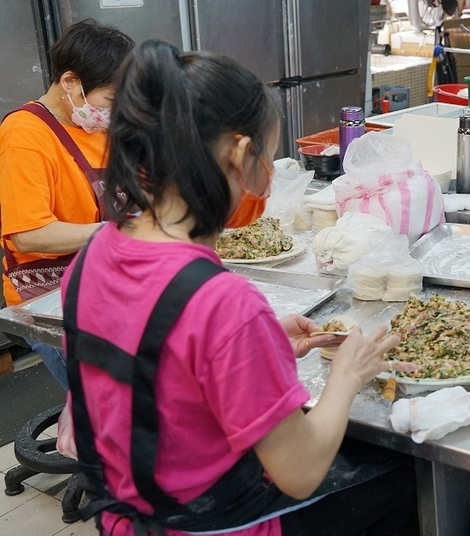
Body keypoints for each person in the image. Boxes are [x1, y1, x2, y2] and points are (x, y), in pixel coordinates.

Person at [63, 40, 418, 535]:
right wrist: (348, 376)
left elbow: (154, 369)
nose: (267, 182)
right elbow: (300, 471)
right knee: (404, 480)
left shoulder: (91, 257)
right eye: (269, 159)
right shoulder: (224, 304)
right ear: (242, 155)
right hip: (218, 528)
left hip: (127, 521)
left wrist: (259, 347)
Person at [0, 19, 134, 390]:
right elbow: (28, 234)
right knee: (112, 401)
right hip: (50, 298)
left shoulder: (95, 125)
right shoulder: (25, 135)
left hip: (107, 279)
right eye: (110, 100)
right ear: (71, 82)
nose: (114, 110)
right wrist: (118, 230)